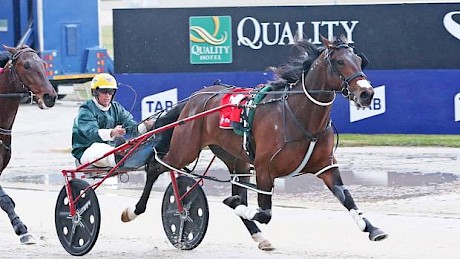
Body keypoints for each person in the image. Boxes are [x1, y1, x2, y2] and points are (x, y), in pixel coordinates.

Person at [71, 73, 155, 168]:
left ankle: (121, 154)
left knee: (132, 145)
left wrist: (145, 126)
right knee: (98, 148)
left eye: (110, 91)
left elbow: (132, 127)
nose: (107, 95)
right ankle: (118, 157)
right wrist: (112, 133)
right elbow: (92, 132)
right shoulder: (86, 109)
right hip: (86, 151)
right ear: (95, 92)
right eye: (104, 91)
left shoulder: (116, 108)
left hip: (111, 149)